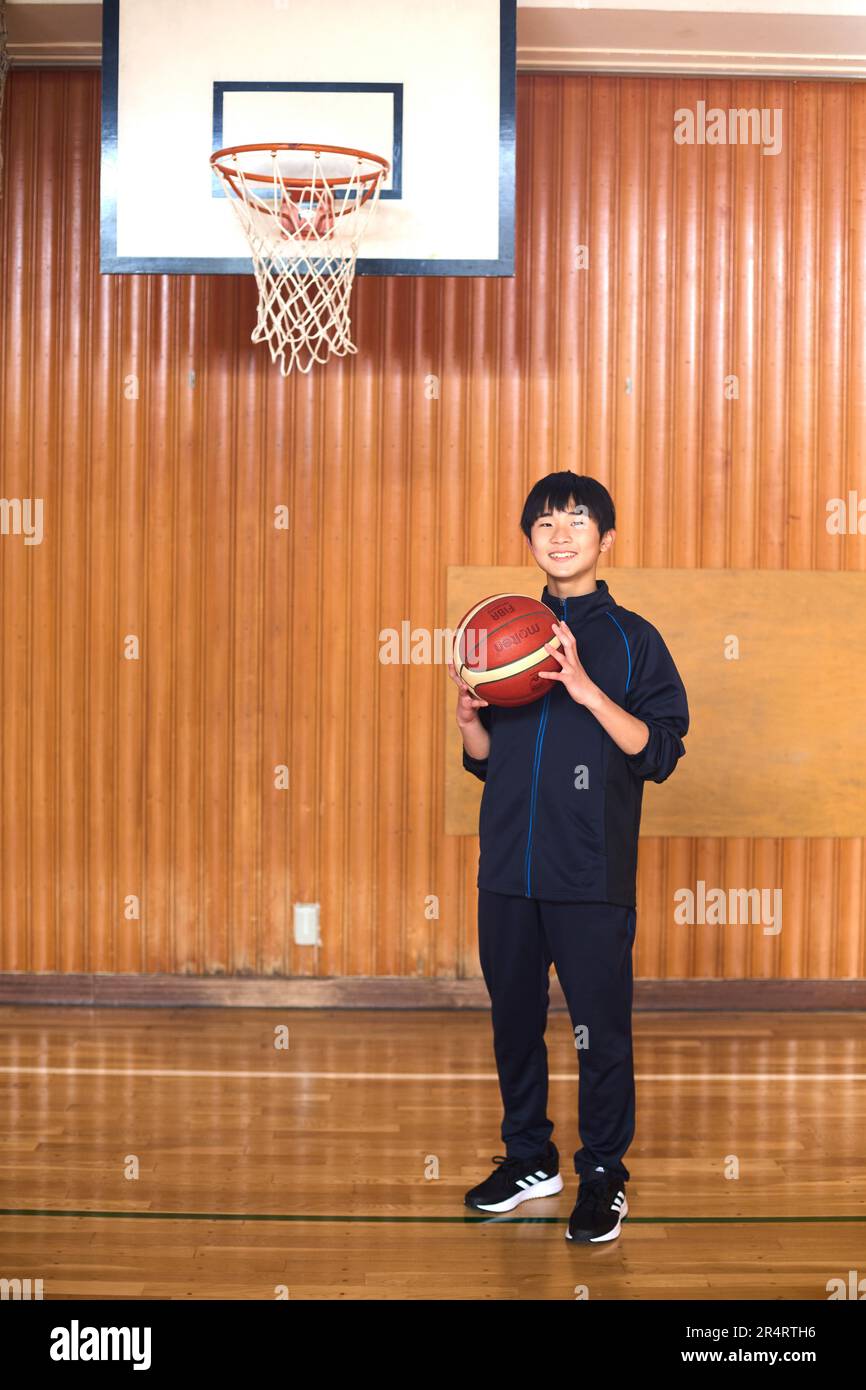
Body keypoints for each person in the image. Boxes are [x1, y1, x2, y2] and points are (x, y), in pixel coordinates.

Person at [448, 471, 689, 1243]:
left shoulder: (633, 639)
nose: (559, 535)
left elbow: (657, 751)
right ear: (530, 541)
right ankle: (529, 1158)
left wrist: (584, 689)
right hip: (507, 872)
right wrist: (467, 723)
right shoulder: (499, 632)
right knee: (513, 1022)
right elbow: (488, 761)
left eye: (577, 522)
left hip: (590, 875)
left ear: (605, 539)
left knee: (599, 1032)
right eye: (545, 524)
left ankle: (604, 1175)